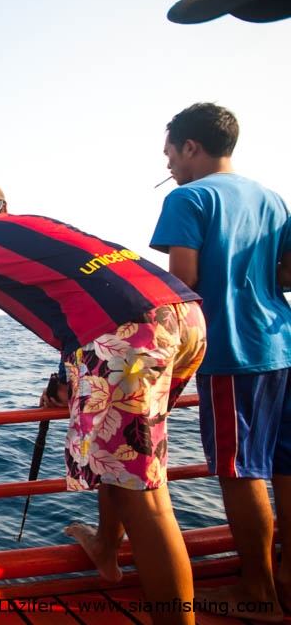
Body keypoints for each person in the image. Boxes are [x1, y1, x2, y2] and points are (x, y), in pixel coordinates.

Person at [0, 183, 205, 625]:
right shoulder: (40, 224)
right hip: (185, 314)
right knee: (122, 463)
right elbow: (82, 292)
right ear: (5, 209)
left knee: (150, 500)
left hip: (128, 336)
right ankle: (104, 545)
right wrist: (68, 377)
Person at [151, 102, 291, 621]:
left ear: (191, 146)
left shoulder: (188, 198)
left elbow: (182, 287)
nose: (168, 166)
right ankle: (286, 578)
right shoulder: (272, 198)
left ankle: (257, 591)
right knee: (285, 464)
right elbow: (288, 273)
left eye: (169, 153)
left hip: (233, 352)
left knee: (239, 471)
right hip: (283, 344)